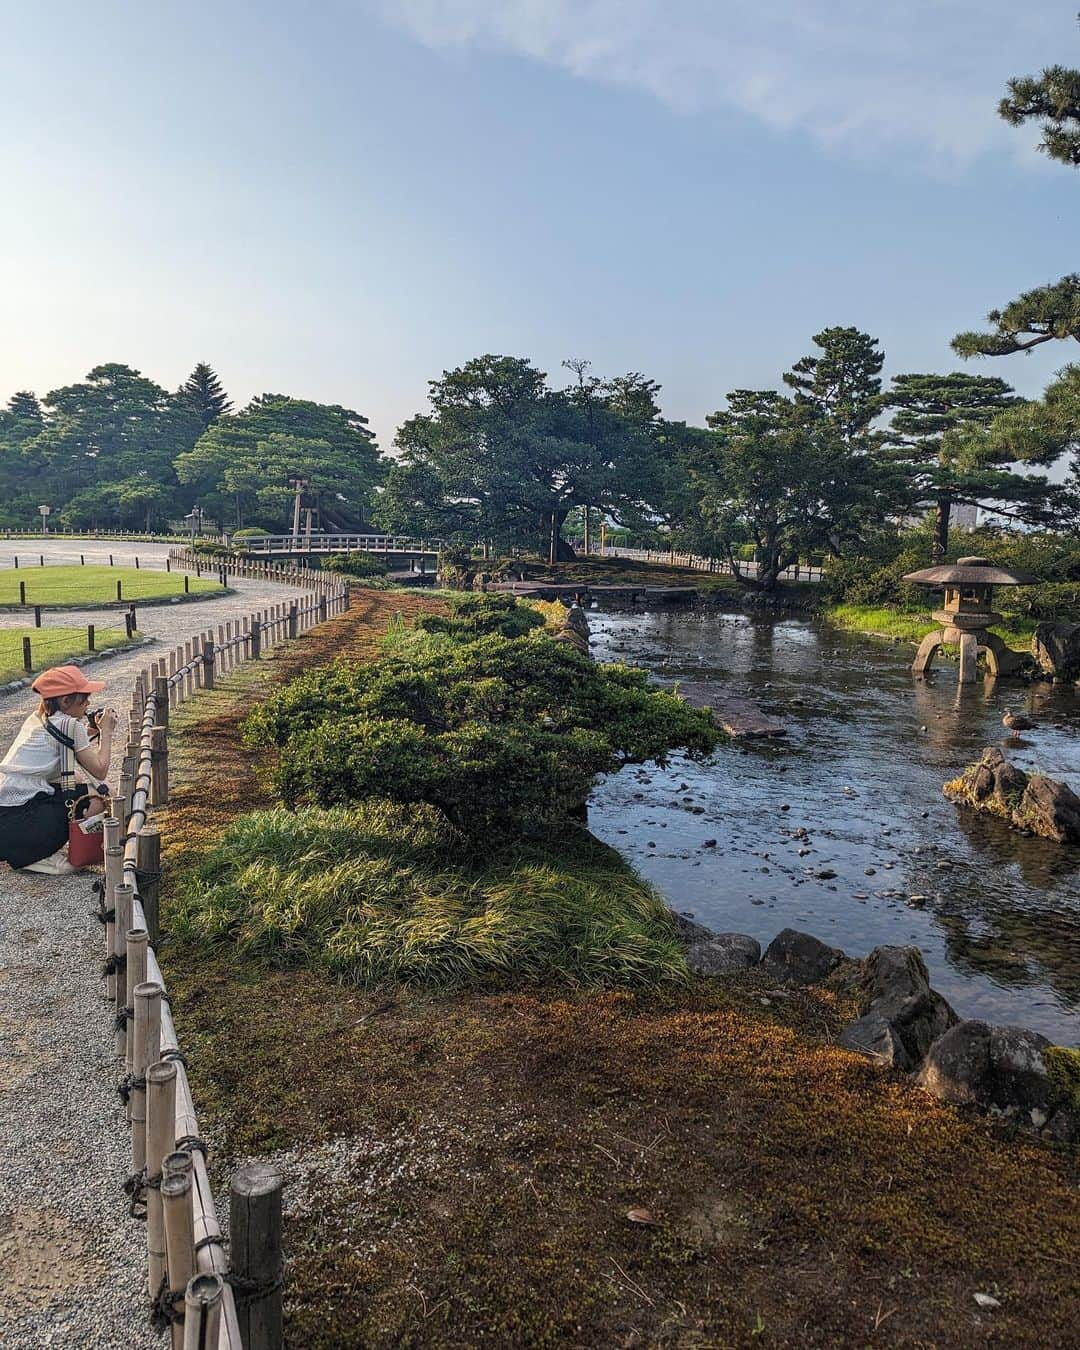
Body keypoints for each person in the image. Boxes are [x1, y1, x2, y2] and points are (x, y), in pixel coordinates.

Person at [0, 665, 117, 875]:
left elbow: (70, 763)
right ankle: (38, 854)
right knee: (102, 796)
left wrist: (89, 731)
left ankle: (35, 847)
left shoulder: (39, 718)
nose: (89, 703)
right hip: (21, 827)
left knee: (80, 783)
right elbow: (100, 771)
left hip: (8, 822)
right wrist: (106, 732)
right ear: (65, 701)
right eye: (84, 698)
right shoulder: (71, 726)